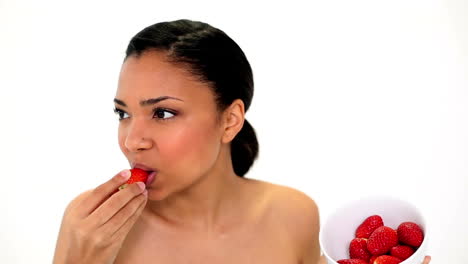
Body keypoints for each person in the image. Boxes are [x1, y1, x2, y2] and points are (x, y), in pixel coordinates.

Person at [52, 19, 431, 264]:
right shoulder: (93, 232)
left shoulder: (294, 214)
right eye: (123, 113)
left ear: (230, 120)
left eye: (163, 113)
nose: (133, 140)